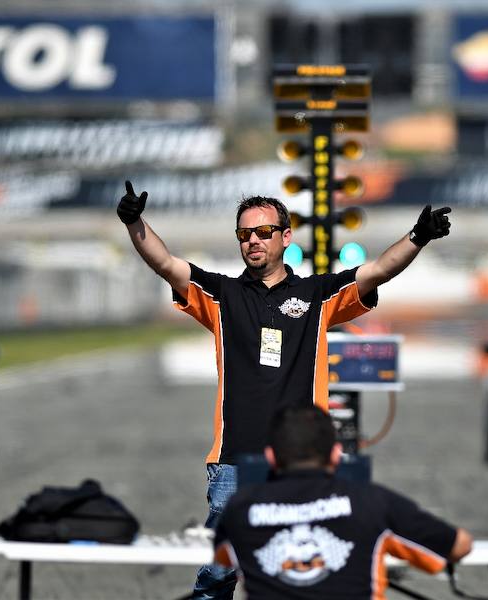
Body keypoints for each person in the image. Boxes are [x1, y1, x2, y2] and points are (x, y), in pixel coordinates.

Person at [116, 182, 452, 598]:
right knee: (216, 578)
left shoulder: (318, 295)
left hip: (304, 465)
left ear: (286, 237)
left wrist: (417, 236)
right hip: (233, 463)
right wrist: (133, 221)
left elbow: (379, 269)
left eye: (263, 232)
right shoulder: (223, 295)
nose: (253, 241)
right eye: (244, 234)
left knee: (306, 570)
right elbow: (167, 264)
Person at [212, 404, 472, 599]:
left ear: (270, 457)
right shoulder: (373, 502)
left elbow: (223, 557)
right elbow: (459, 545)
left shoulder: (240, 509)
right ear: (337, 455)